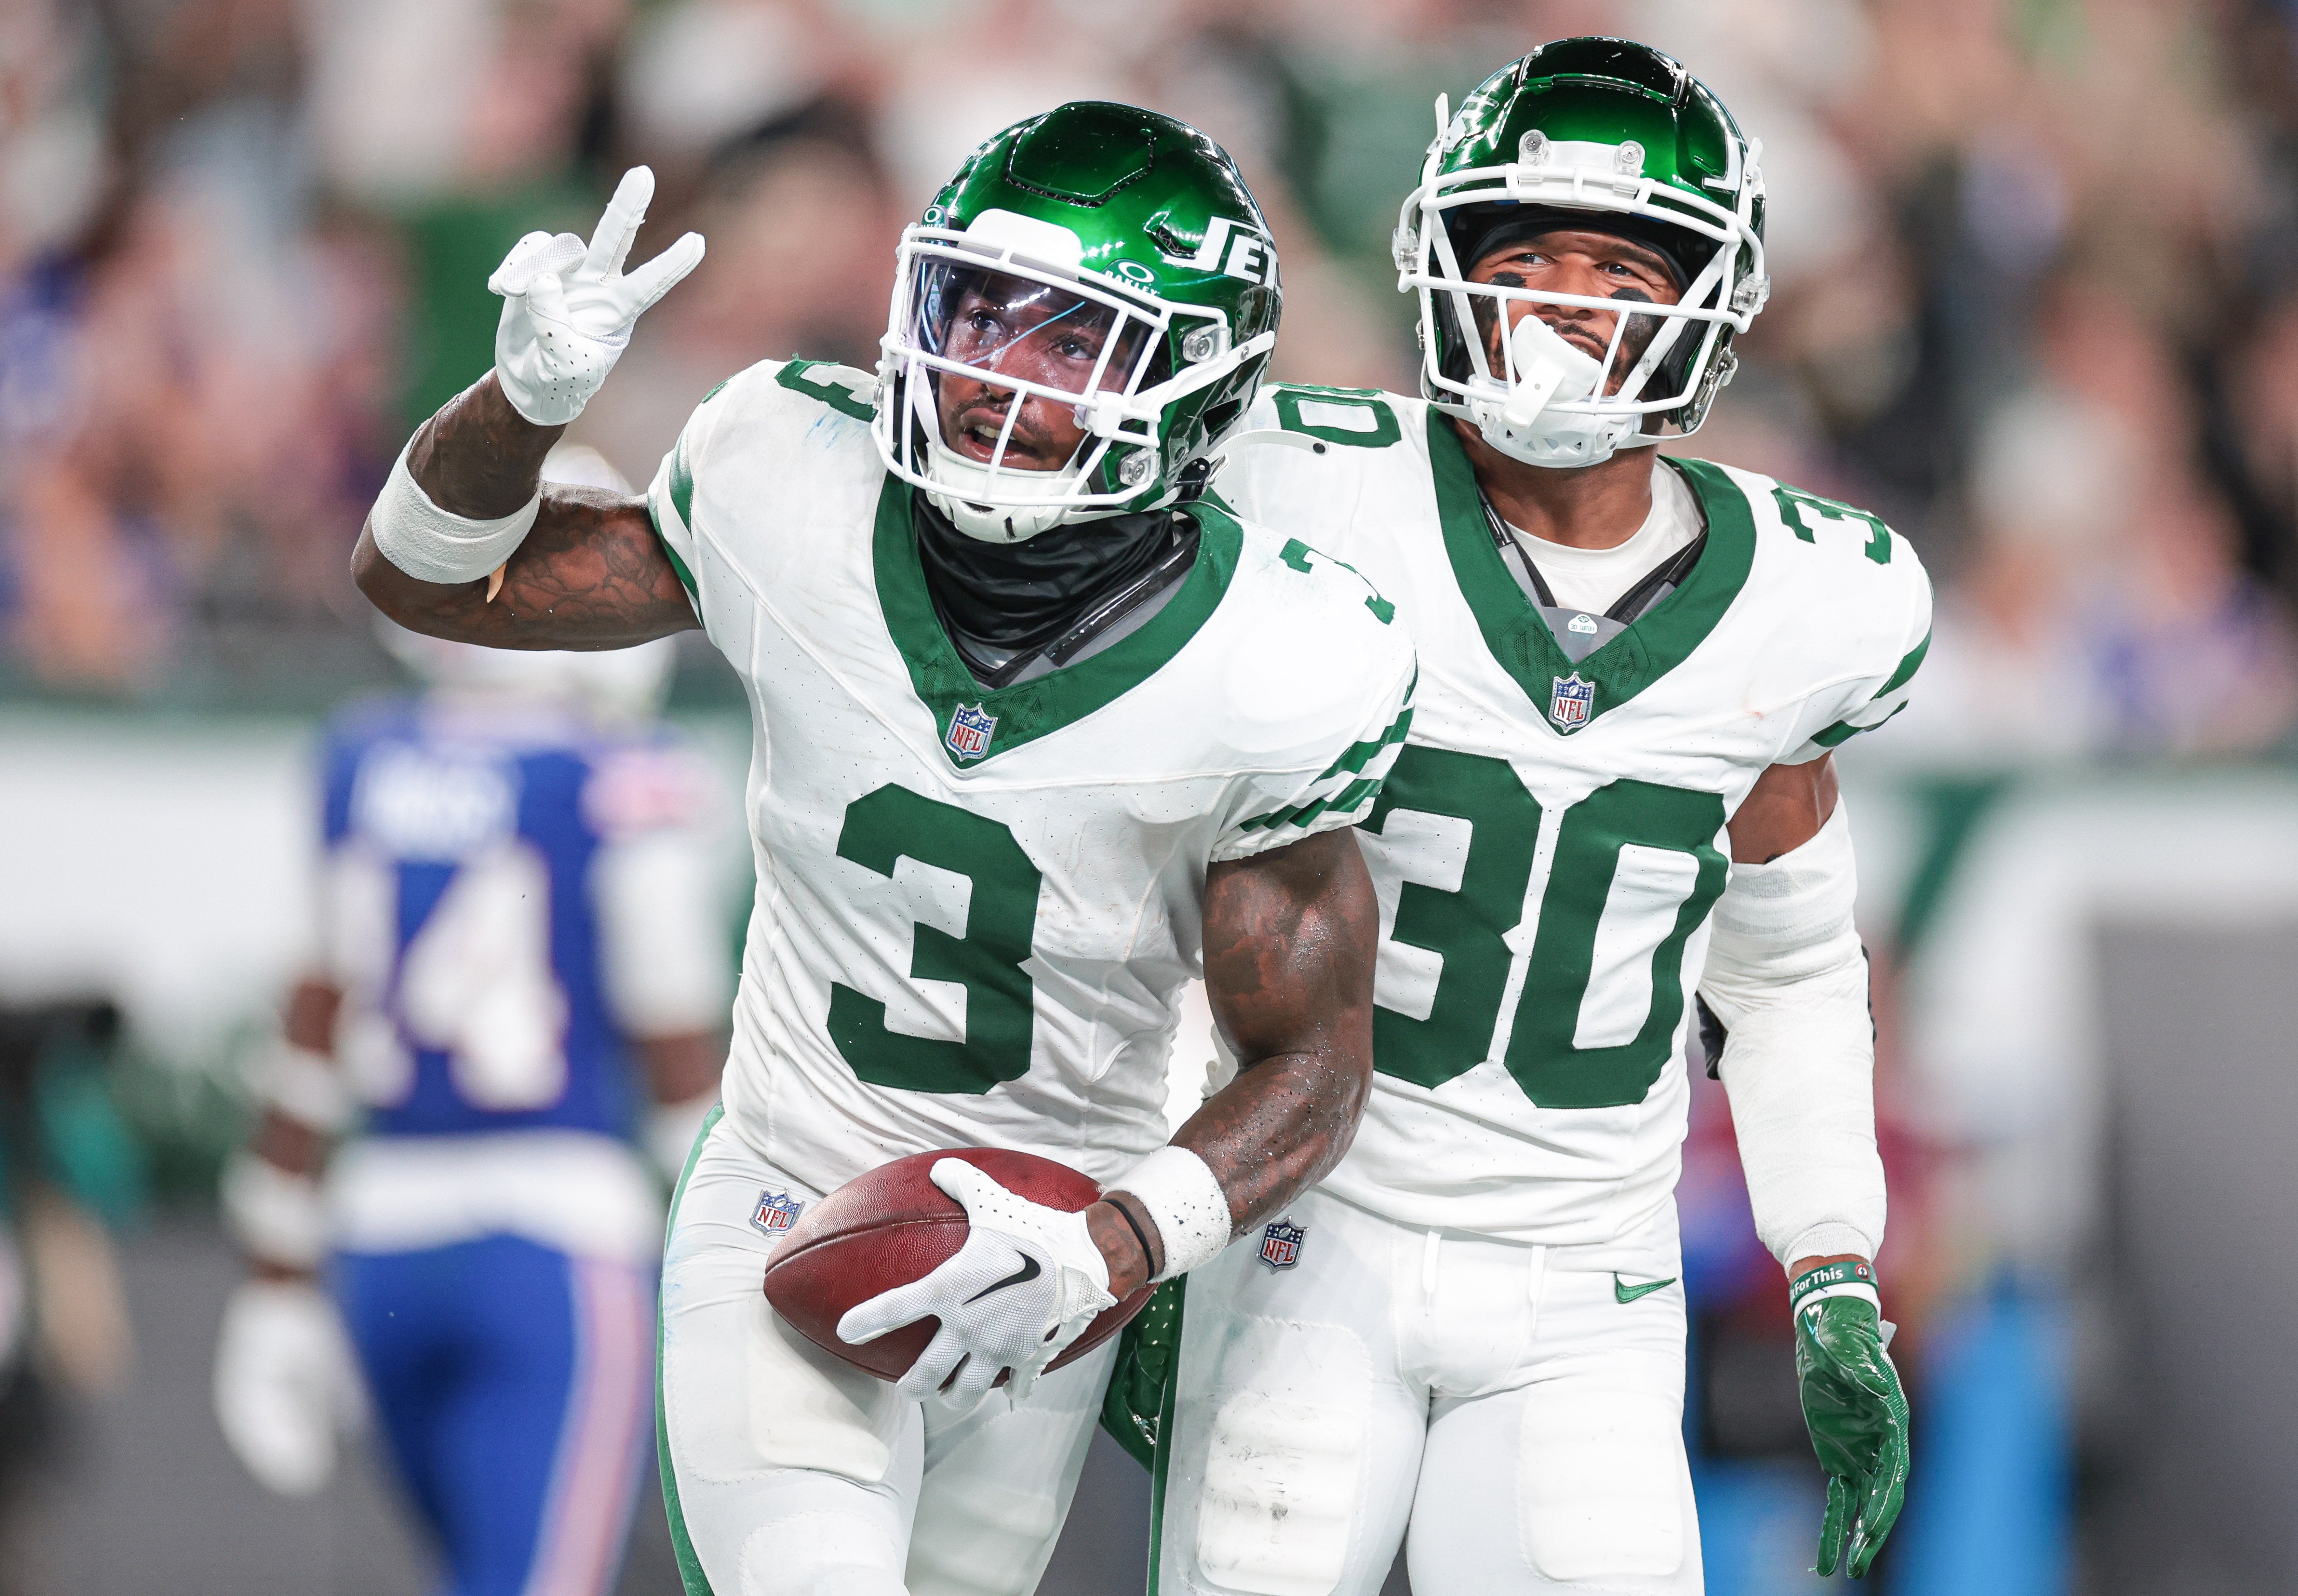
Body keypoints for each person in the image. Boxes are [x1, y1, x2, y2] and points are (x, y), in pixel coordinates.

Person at [350, 102, 1416, 1596]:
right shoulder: (789, 476)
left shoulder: (1274, 660)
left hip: (1048, 1253)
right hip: (793, 1195)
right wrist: (520, 401)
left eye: (1069, 340)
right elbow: (426, 581)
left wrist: (1116, 1245)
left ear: (1194, 388)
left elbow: (1311, 1061)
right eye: (977, 313)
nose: (993, 374)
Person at [1137, 38, 1926, 1593]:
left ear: (1702, 305)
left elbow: (1780, 971)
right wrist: (1152, 1197)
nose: (1565, 300)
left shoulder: (1806, 602)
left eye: (1618, 265)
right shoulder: (1298, 486)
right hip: (1311, 1238)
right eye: (1526, 255)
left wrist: (1829, 1260)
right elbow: (1150, 863)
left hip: (1586, 1282)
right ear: (1444, 270)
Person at [212, 572, 730, 1596]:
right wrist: (730, 1266)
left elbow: (309, 1039)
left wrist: (275, 1280)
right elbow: (676, 1057)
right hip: (555, 1251)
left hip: (380, 1248)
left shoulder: (366, 758)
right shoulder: (621, 776)